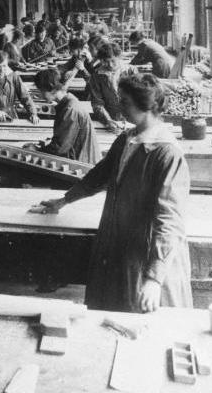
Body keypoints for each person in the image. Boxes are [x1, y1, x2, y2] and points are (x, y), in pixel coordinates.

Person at [32, 74, 192, 313]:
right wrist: (64, 200)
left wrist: (155, 279)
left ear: (145, 106)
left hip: (145, 256)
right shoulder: (128, 138)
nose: (119, 106)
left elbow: (169, 221)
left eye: (125, 102)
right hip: (118, 244)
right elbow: (98, 177)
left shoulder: (167, 153)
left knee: (143, 320)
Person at [29, 68, 99, 164]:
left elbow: (60, 148)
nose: (40, 95)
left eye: (41, 91)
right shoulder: (67, 103)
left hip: (83, 162)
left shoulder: (70, 110)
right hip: (77, 156)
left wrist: (37, 150)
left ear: (52, 88)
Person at [0, 50, 39, 124]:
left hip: (11, 116)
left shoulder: (13, 76)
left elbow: (25, 96)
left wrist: (33, 113)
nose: (2, 70)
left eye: (4, 66)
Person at [87, 45, 127, 133]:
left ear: (119, 57)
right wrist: (108, 120)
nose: (110, 65)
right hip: (109, 118)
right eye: (105, 61)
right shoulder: (97, 76)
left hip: (131, 118)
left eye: (113, 61)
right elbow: (97, 103)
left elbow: (139, 99)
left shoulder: (130, 72)